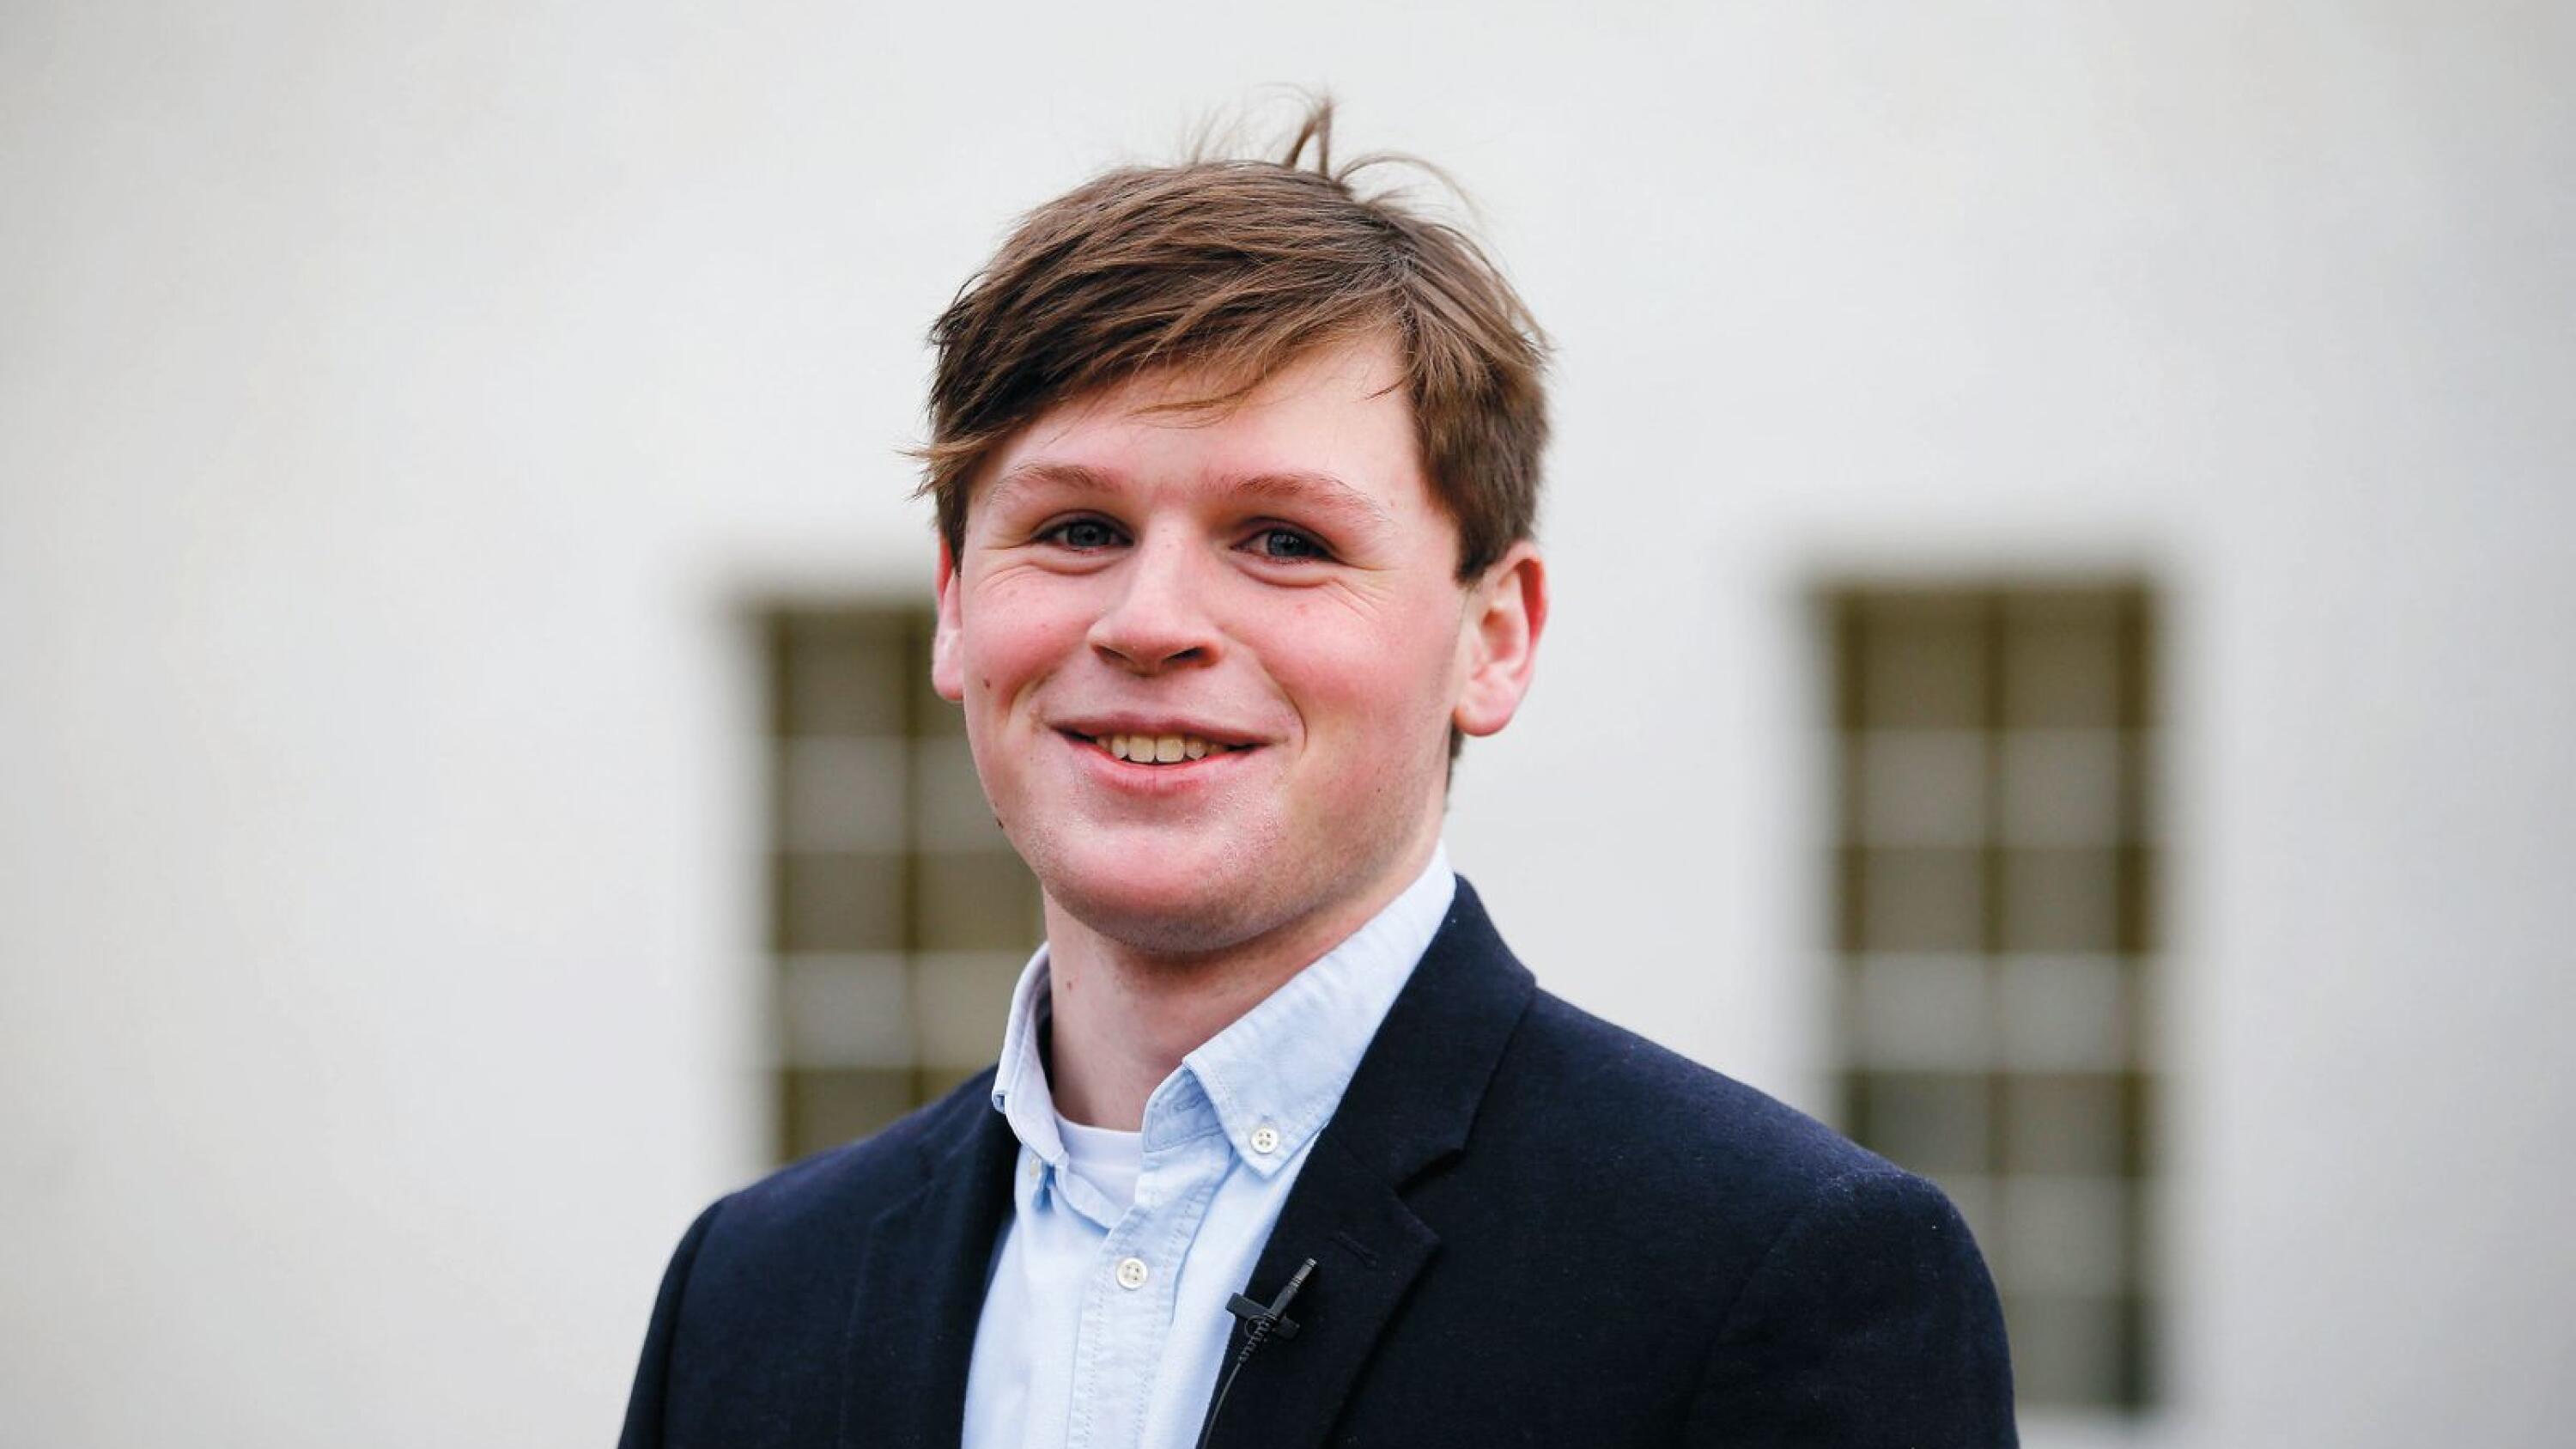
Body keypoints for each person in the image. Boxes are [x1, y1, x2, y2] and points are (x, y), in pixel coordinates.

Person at [618, 100, 2015, 1449]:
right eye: (1079, 528)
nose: (1150, 621)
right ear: (952, 607)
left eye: (1284, 540)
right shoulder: (748, 1296)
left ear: (1494, 638)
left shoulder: (1777, 1277)